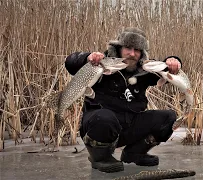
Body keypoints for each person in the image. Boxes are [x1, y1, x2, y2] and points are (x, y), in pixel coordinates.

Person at [65, 27, 182, 173]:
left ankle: (134, 153)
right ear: (119, 48)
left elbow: (165, 70)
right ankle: (100, 157)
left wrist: (173, 62)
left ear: (141, 54)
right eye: (128, 48)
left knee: (168, 118)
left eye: (137, 50)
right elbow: (70, 63)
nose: (132, 54)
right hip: (100, 127)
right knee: (104, 118)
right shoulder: (101, 63)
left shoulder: (144, 70)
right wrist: (87, 58)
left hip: (129, 125)